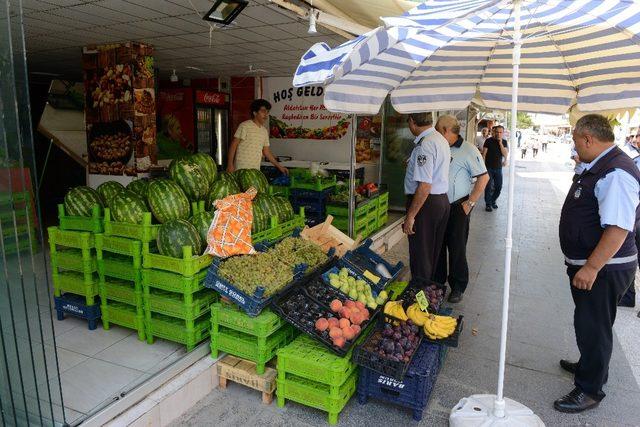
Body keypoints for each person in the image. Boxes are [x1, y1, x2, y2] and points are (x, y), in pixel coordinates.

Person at [555, 114, 640, 413]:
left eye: (576, 140)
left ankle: (589, 389)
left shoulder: (615, 172)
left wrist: (591, 267)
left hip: (604, 268)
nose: (574, 146)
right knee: (590, 321)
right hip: (595, 265)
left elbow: (618, 228)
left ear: (589, 139)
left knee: (594, 326)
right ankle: (589, 365)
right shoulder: (600, 165)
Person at [433, 115, 489, 303]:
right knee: (438, 246)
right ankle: (437, 283)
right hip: (438, 205)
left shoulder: (468, 150)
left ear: (445, 130)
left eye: (437, 128)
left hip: (458, 206)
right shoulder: (437, 146)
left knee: (457, 248)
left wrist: (471, 202)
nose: (435, 131)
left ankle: (457, 287)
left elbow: (484, 178)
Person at [402, 112, 451, 291]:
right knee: (432, 251)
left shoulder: (426, 145)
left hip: (426, 204)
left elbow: (424, 186)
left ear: (412, 122)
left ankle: (419, 300)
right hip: (441, 201)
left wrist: (411, 216)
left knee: (421, 254)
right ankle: (431, 293)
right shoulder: (440, 139)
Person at [227, 99, 288, 174]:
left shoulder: (264, 131)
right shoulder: (244, 126)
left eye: (267, 112)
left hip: (255, 171)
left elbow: (266, 152)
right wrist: (230, 164)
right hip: (241, 169)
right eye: (263, 111)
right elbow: (234, 145)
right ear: (255, 113)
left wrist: (279, 166)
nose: (266, 114)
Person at [619, 131, 640, 309]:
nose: (635, 140)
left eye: (638, 135)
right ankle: (628, 296)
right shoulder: (635, 159)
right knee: (632, 254)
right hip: (636, 214)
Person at [482, 125, 509, 212]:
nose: (498, 134)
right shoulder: (488, 141)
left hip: (498, 168)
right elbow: (484, 154)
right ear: (494, 132)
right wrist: (483, 166)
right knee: (488, 186)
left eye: (500, 132)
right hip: (488, 167)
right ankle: (488, 204)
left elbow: (505, 154)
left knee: (498, 187)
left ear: (503, 133)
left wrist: (500, 143)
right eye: (497, 132)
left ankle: (493, 200)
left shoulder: (504, 142)